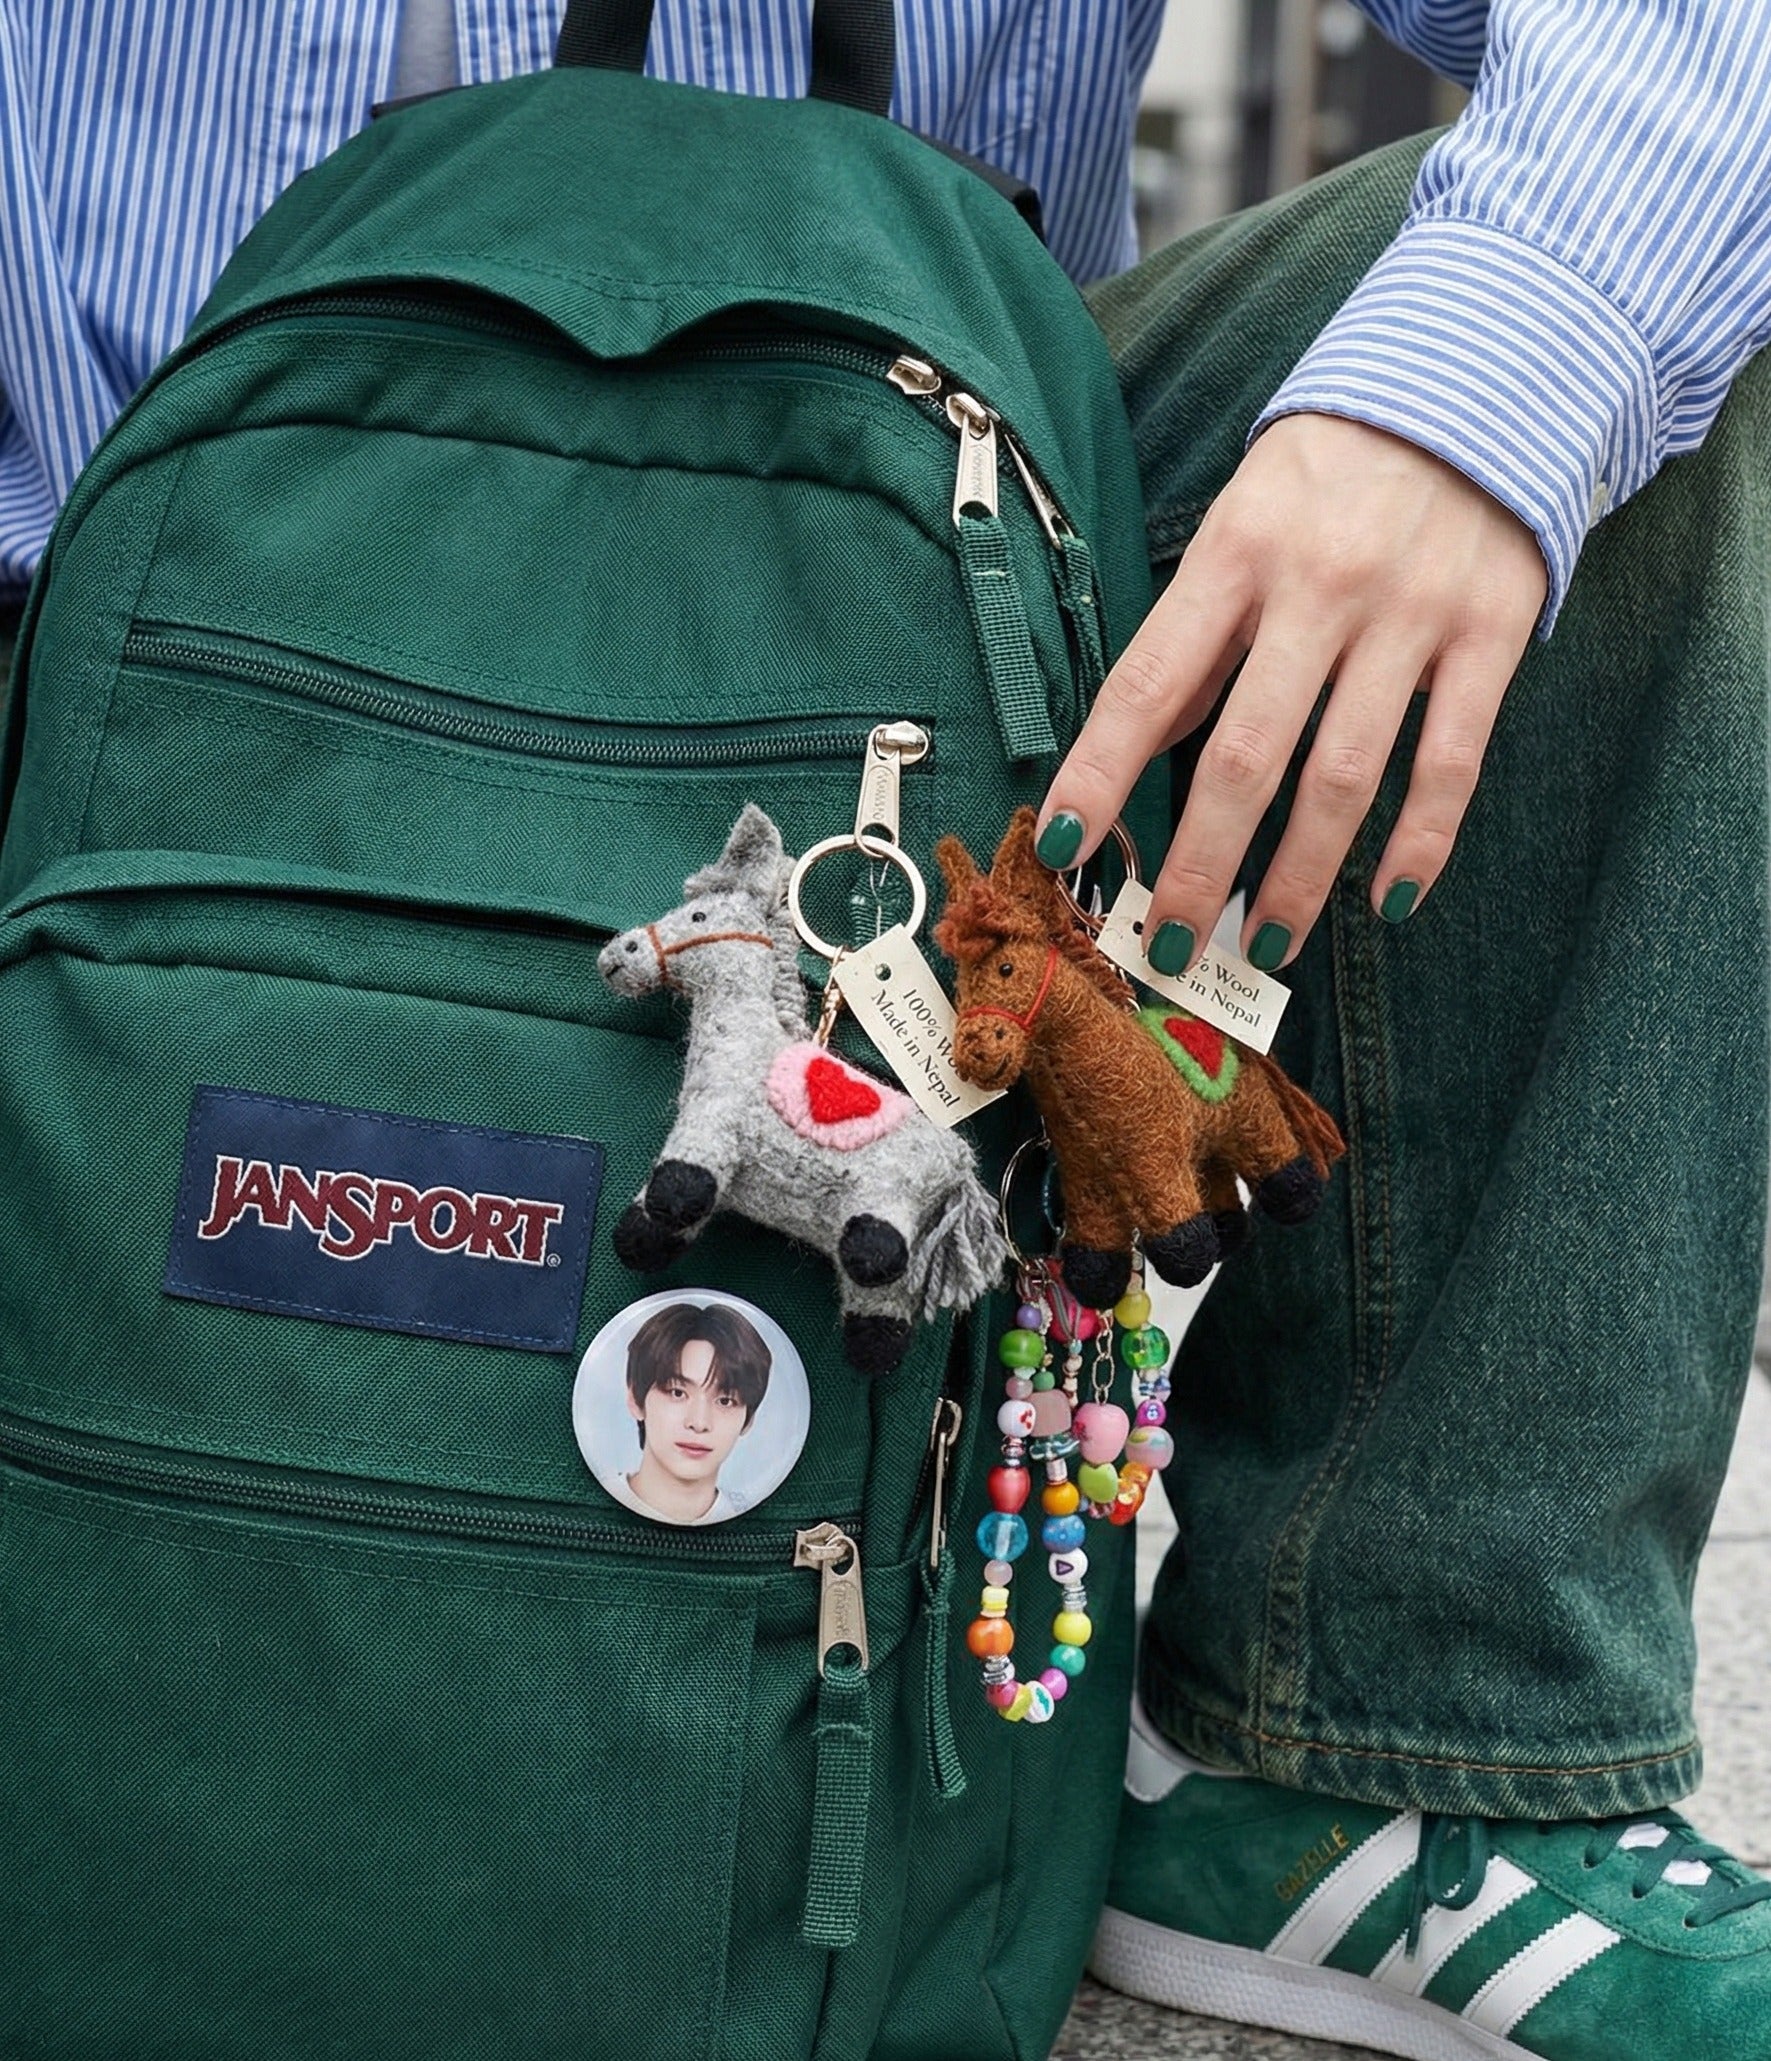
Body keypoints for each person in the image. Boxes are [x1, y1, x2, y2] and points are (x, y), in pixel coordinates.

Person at [3, 3, 1770, 2056]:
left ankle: (1372, 1730)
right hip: (148, 649)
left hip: (915, 674)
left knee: (1631, 270)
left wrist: (1472, 388)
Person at [613, 1298, 772, 1524]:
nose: (699, 1422)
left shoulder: (756, 1522)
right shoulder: (592, 1500)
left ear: (748, 1420)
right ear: (635, 1400)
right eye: (677, 1393)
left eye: (725, 1400)